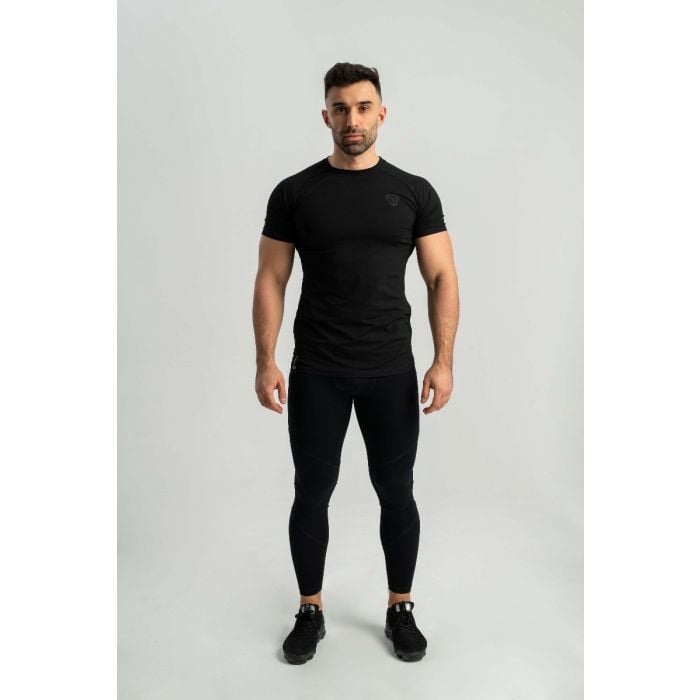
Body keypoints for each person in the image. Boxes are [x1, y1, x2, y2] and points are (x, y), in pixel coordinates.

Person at [252, 62, 459, 664]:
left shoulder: (414, 192)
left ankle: (400, 607)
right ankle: (310, 609)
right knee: (312, 490)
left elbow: (442, 276)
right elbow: (270, 278)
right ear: (326, 116)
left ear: (381, 114)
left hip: (390, 369)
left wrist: (443, 361)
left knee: (396, 489)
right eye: (341, 108)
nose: (352, 119)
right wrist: (265, 360)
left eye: (363, 107)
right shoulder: (295, 192)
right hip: (317, 368)